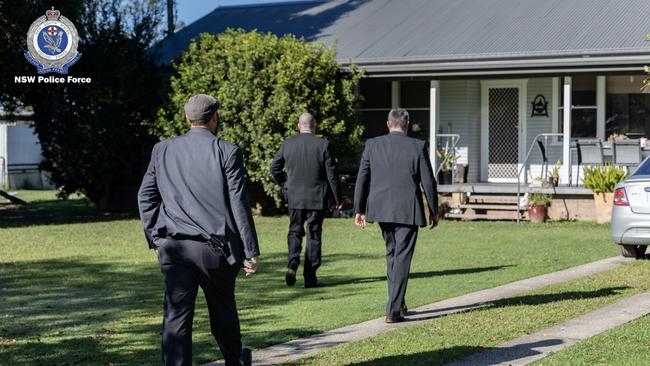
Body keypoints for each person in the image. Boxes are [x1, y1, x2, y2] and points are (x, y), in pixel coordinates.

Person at [137, 94, 260, 366]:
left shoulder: (162, 149)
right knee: (223, 314)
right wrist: (250, 251)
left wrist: (156, 238)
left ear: (186, 119)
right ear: (214, 118)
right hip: (214, 251)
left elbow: (145, 196)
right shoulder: (227, 150)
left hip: (174, 248)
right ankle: (234, 361)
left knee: (176, 318)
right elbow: (239, 204)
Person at [353, 108, 439, 323]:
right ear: (407, 123)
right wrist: (434, 210)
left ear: (388, 123)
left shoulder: (373, 145)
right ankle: (393, 309)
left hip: (381, 208)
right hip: (407, 209)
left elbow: (362, 178)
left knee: (393, 255)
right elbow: (428, 181)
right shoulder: (417, 146)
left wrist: (359, 209)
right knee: (401, 257)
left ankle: (398, 302)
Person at [270, 112, 341, 288]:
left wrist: (285, 184)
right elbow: (332, 174)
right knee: (314, 234)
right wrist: (337, 198)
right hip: (317, 197)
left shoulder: (288, 144)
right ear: (314, 125)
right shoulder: (323, 145)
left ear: (298, 125)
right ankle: (310, 277)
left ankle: (293, 261)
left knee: (294, 231)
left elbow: (274, 168)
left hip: (294, 197)